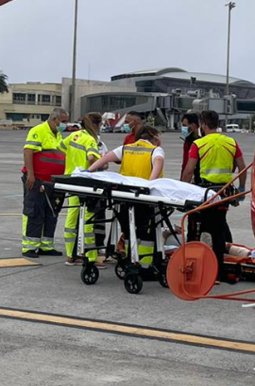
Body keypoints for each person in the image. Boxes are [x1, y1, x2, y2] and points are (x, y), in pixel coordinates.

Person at [89, 125, 164, 269]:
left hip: (124, 196)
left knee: (129, 229)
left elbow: (105, 158)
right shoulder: (155, 150)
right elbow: (159, 161)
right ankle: (144, 265)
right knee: (145, 232)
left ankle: (130, 260)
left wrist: (88, 171)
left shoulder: (126, 148)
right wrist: (150, 183)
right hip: (145, 198)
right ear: (153, 138)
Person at [181, 110, 246, 267]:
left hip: (204, 192)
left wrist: (183, 189)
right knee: (218, 231)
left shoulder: (199, 143)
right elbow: (242, 167)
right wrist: (241, 188)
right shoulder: (231, 142)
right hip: (223, 193)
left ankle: (192, 265)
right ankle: (218, 269)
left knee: (195, 228)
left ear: (203, 125)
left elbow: (189, 170)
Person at [21, 107, 68, 257]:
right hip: (37, 179)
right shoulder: (39, 130)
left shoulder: (58, 134)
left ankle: (46, 245)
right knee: (34, 211)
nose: (65, 125)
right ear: (54, 119)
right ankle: (29, 247)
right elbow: (28, 151)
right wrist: (31, 175)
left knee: (51, 212)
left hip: (52, 181)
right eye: (63, 121)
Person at [62, 112, 104, 265]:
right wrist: (101, 163)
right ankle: (91, 256)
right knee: (88, 218)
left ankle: (70, 255)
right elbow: (92, 158)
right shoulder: (90, 139)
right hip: (85, 182)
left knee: (72, 216)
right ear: (96, 125)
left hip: (70, 179)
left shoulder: (74, 135)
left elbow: (61, 148)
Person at [180, 112, 201, 180]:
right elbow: (184, 164)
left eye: (185, 125)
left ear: (194, 125)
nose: (183, 128)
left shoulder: (200, 143)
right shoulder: (187, 142)